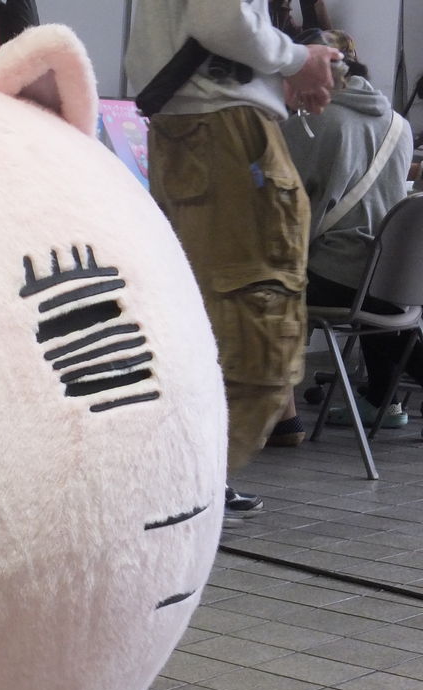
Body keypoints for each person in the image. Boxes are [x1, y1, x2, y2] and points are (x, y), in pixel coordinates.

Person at [126, 1, 340, 525]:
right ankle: (187, 494)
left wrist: (276, 67)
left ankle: (184, 486)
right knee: (251, 311)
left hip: (193, 123)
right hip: (225, 128)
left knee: (201, 317)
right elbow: (221, 21)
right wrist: (297, 60)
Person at [281, 31, 418, 429]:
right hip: (393, 277)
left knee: (260, 284)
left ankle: (277, 414)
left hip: (340, 277)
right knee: (381, 310)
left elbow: (282, 201)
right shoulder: (400, 125)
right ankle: (382, 402)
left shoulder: (313, 125)